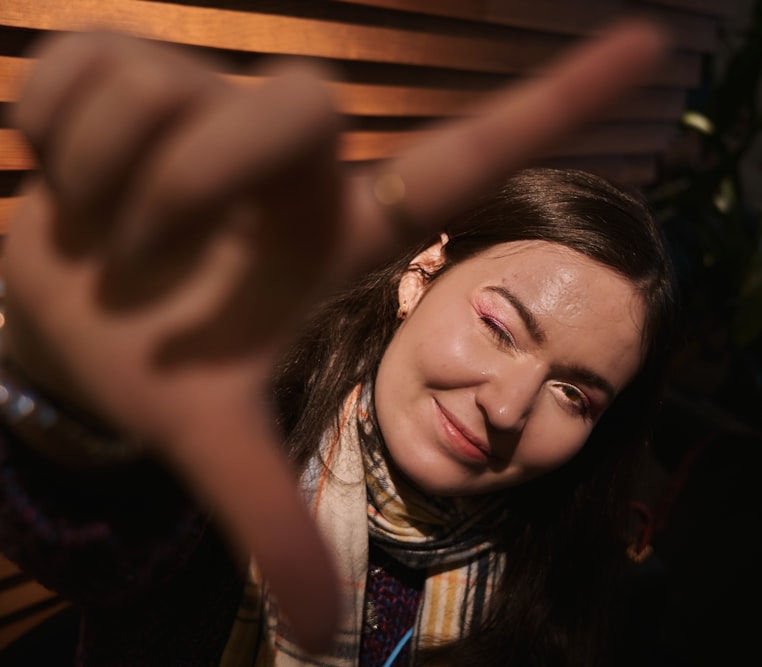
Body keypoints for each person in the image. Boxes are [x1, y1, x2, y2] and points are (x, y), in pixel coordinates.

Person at [0, 23, 675, 666]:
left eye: (573, 394)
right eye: (498, 327)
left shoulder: (580, 586)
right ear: (419, 276)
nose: (506, 407)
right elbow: (92, 545)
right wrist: (73, 405)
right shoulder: (242, 436)